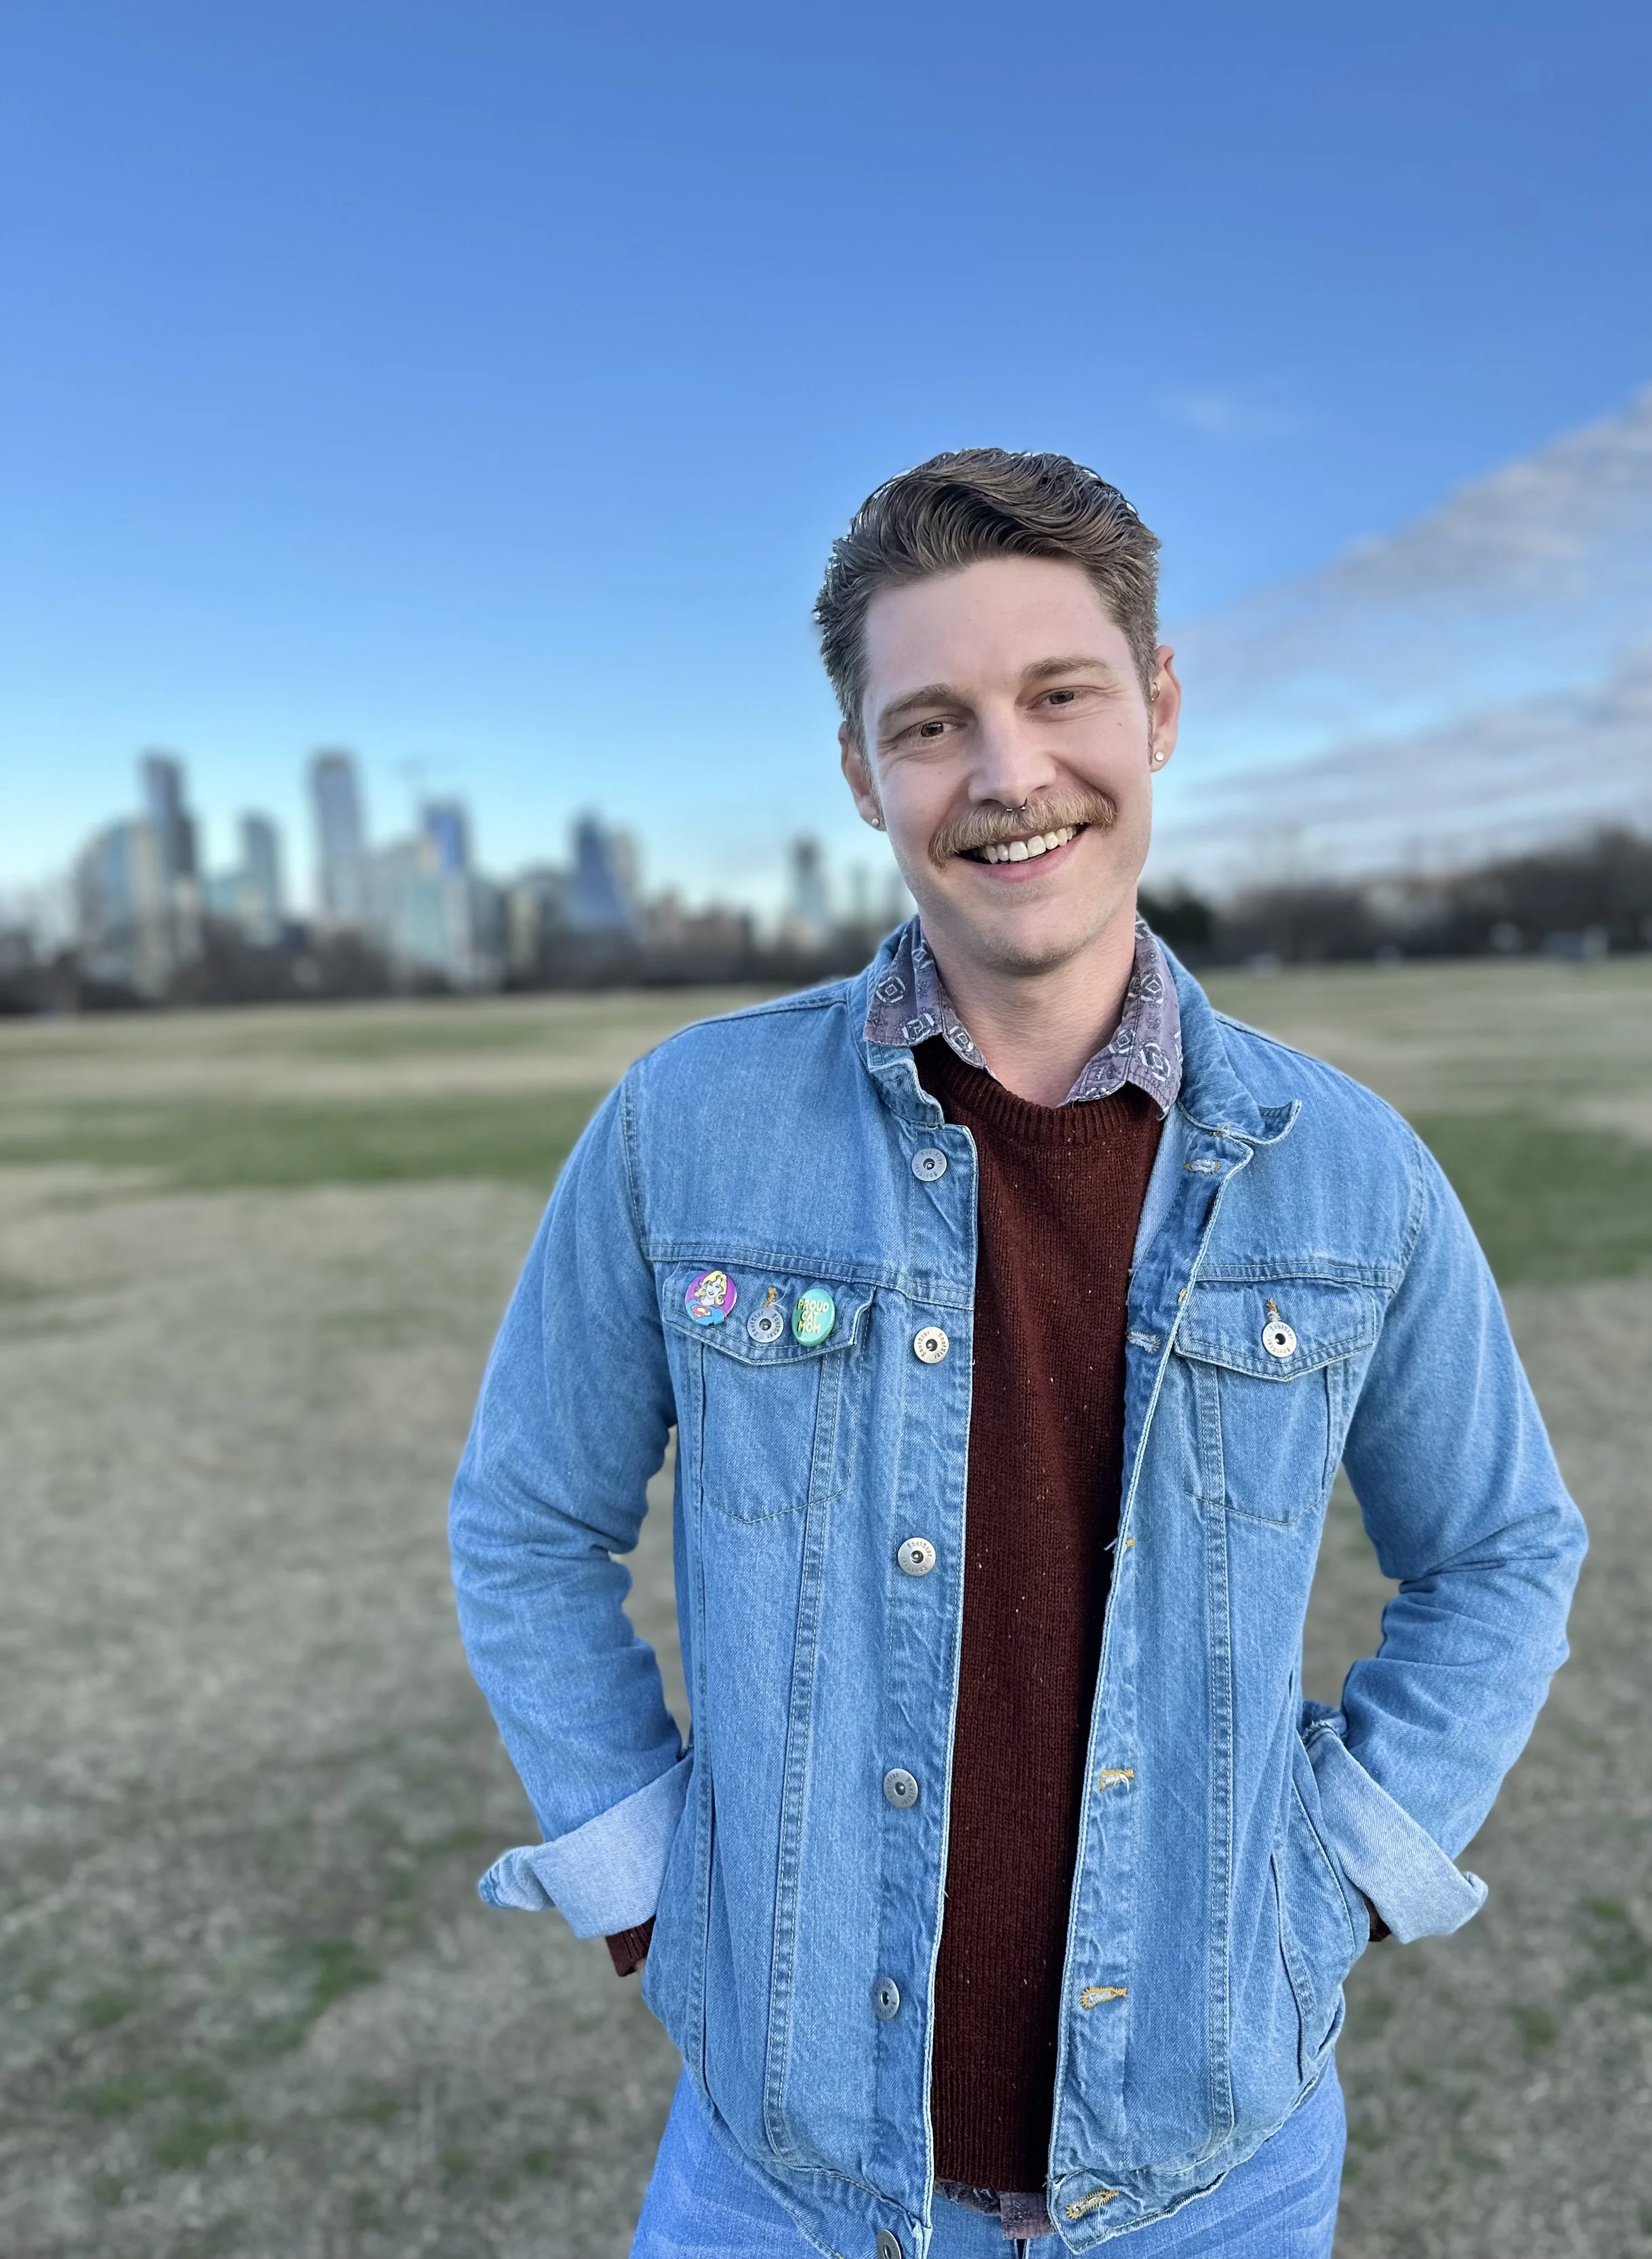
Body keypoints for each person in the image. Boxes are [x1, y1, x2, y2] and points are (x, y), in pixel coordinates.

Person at [449, 450, 1586, 2257]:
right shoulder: (687, 1128)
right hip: (783, 2170)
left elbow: (1502, 1547)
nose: (1004, 772)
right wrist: (646, 1878)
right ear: (859, 772)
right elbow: (524, 1518)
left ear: (1156, 705)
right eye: (929, 721)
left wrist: (1350, 1867)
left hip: (1216, 2165)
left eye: (1058, 694)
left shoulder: (1347, 1163)